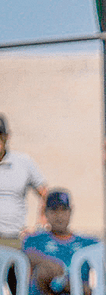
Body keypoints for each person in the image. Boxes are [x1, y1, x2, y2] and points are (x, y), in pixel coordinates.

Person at [0, 114, 48, 294]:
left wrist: (40, 223)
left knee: (19, 288)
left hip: (16, 239)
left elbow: (44, 192)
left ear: (6, 137)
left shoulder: (22, 162)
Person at [22, 189, 98, 295]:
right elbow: (24, 255)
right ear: (45, 212)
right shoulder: (34, 240)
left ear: (70, 211)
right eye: (54, 210)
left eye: (63, 210)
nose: (59, 215)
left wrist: (66, 283)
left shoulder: (87, 243)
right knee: (43, 272)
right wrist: (45, 262)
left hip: (76, 291)